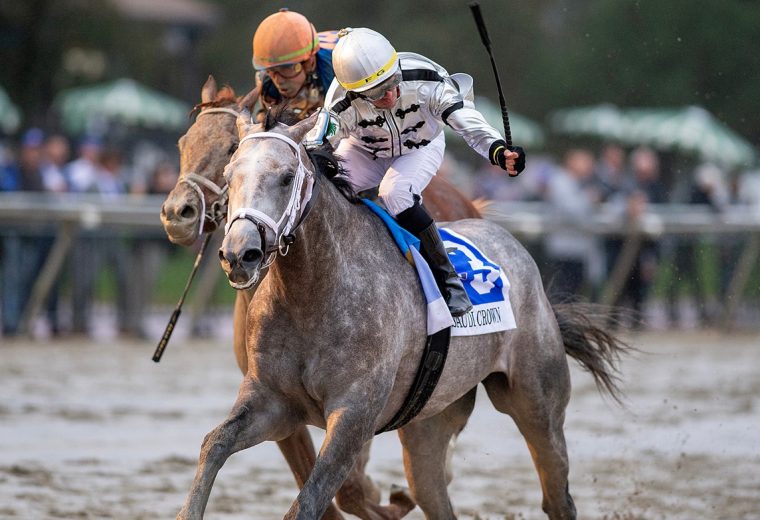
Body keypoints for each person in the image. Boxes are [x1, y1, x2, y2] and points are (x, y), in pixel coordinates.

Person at [314, 27, 525, 316]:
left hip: (420, 146)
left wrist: (498, 151)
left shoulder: (426, 78)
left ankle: (447, 280)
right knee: (324, 186)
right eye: (374, 93)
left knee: (395, 193)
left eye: (391, 82)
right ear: (355, 91)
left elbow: (466, 121)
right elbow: (317, 143)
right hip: (366, 151)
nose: (388, 95)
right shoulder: (340, 101)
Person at [251, 8, 337, 122]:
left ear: (310, 63)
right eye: (270, 70)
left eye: (286, 68)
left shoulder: (335, 73)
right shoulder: (268, 85)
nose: (278, 81)